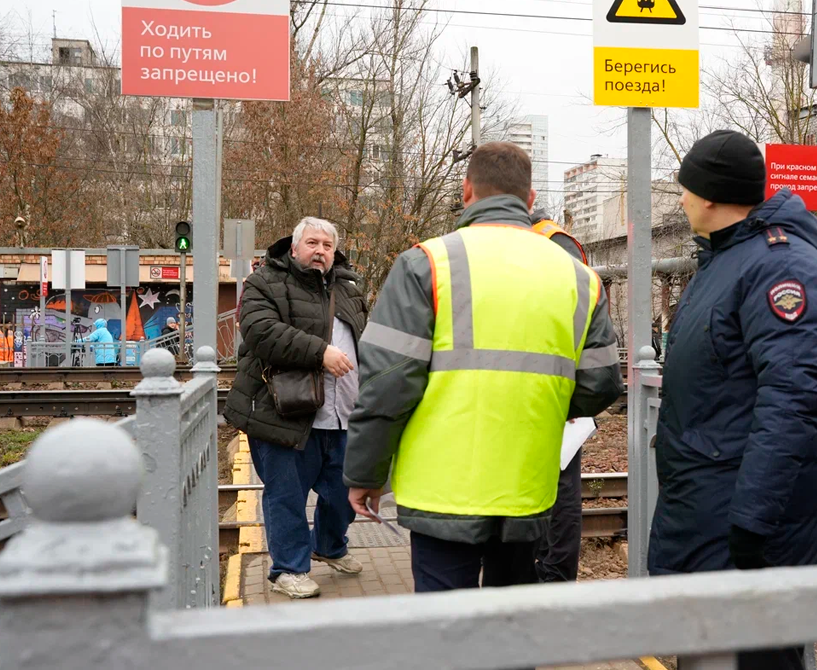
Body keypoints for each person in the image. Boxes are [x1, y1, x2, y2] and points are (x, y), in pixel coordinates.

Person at [344, 142, 624, 601]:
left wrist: (366, 473)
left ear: (466, 190)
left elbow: (385, 385)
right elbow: (601, 384)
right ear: (530, 200)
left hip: (442, 490)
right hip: (526, 486)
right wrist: (540, 402)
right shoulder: (577, 276)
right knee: (512, 625)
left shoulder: (427, 264)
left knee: (446, 630)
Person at [647, 130, 817, 670]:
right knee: (710, 652)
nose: (681, 198)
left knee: (751, 657)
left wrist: (752, 521)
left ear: (710, 195)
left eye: (684, 187)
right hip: (709, 505)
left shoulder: (780, 267)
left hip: (738, 517)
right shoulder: (727, 259)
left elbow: (792, 399)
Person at [224, 217, 368, 599]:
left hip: (343, 412)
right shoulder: (264, 283)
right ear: (294, 247)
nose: (320, 251)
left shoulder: (349, 289)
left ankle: (328, 546)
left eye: (327, 245)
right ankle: (287, 569)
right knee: (286, 495)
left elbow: (365, 343)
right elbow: (260, 331)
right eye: (312, 243)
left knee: (345, 491)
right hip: (282, 412)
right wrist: (319, 353)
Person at [530, 209, 594, 584]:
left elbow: (575, 318)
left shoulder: (552, 243)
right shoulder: (551, 241)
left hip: (556, 394)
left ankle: (554, 579)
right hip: (541, 391)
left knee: (559, 494)